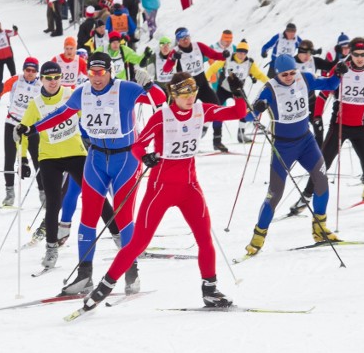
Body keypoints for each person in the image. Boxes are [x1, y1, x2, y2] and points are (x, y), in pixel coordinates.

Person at [82, 71, 247, 311]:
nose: (190, 98)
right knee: (138, 244)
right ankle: (104, 287)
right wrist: (145, 156)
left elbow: (238, 113)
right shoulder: (162, 117)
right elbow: (137, 145)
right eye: (184, 93)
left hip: (190, 188)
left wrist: (238, 92)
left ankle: (210, 290)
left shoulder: (202, 110)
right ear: (173, 95)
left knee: (205, 239)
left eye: (193, 92)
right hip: (160, 189)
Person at [17, 52, 166, 295]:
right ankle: (84, 274)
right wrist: (32, 128)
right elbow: (61, 114)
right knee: (88, 215)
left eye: (100, 72)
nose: (96, 78)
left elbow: (160, 102)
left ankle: (131, 269)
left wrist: (148, 84)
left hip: (125, 159)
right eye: (92, 73)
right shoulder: (83, 92)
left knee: (123, 215)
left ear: (109, 71)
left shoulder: (125, 89)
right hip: (96, 159)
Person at [18, 61, 117, 268]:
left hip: (75, 154)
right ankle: (51, 248)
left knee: (96, 194)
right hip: (49, 158)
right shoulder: (35, 104)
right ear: (41, 80)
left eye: (56, 78)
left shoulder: (71, 94)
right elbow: (23, 130)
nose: (53, 82)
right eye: (48, 78)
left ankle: (118, 235)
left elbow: (89, 116)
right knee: (53, 202)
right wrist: (23, 158)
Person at [293, 38, 364, 223]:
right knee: (322, 164)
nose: (359, 58)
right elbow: (324, 93)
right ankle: (305, 198)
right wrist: (317, 116)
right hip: (338, 126)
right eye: (356, 55)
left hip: (360, 127)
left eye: (363, 55)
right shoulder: (341, 68)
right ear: (350, 53)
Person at [243, 54, 341, 255]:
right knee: (275, 193)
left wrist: (339, 73)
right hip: (283, 147)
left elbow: (330, 84)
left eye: (291, 73)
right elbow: (247, 115)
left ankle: (320, 229)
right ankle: (257, 238)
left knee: (322, 180)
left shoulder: (304, 78)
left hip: (306, 142)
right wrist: (257, 108)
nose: (288, 77)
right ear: (277, 73)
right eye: (284, 74)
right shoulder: (269, 88)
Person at [0, 57, 45, 206]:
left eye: (33, 71)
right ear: (24, 70)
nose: (30, 73)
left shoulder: (41, 85)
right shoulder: (16, 80)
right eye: (28, 70)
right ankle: (9, 194)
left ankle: (43, 193)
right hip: (12, 123)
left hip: (30, 127)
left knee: (38, 159)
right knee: (9, 158)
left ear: (37, 72)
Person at [206, 40, 269, 145]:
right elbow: (212, 68)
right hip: (223, 89)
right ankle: (216, 139)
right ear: (236, 52)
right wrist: (205, 79)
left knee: (245, 110)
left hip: (238, 90)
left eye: (244, 53)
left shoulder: (250, 63)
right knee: (216, 110)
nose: (242, 55)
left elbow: (259, 75)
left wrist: (270, 82)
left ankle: (241, 135)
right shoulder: (227, 59)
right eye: (240, 52)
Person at [293, 40, 335, 146]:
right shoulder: (291, 62)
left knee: (319, 128)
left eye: (310, 53)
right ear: (299, 51)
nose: (308, 56)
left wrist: (340, 56)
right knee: (299, 131)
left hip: (312, 102)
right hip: (296, 104)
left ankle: (319, 153)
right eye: (305, 53)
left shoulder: (314, 61)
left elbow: (331, 66)